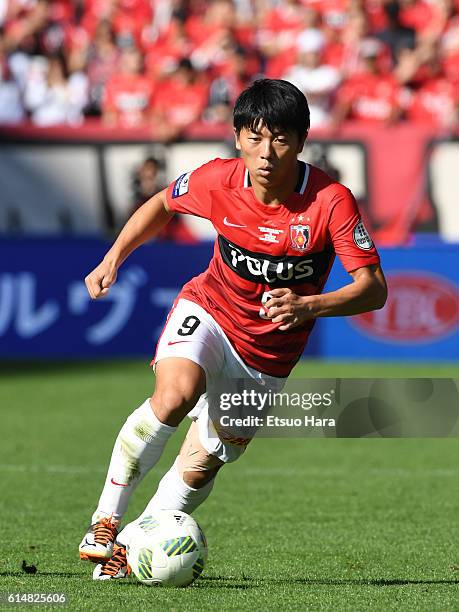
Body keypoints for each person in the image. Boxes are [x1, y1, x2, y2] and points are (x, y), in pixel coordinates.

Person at [78, 79, 387, 580]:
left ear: (302, 140)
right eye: (256, 136)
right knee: (174, 396)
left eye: (281, 138)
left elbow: (373, 288)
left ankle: (137, 540)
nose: (268, 152)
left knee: (203, 463)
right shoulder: (216, 179)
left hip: (268, 354)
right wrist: (113, 258)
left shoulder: (331, 201)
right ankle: (106, 520)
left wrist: (310, 304)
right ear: (238, 137)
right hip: (210, 309)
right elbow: (161, 204)